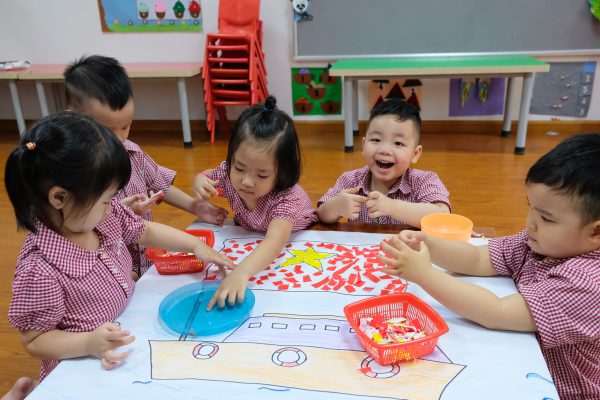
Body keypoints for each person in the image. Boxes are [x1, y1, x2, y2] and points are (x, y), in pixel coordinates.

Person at [4, 112, 234, 381]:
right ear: (59, 198)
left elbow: (144, 230)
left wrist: (194, 245)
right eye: (105, 200)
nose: (112, 206)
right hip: (86, 365)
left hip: (127, 325)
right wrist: (88, 343)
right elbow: (35, 340)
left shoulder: (101, 216)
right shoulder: (39, 271)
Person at [379, 133, 600, 399]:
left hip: (561, 391)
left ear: (595, 232)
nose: (530, 223)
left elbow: (496, 312)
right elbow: (478, 258)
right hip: (520, 360)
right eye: (530, 207)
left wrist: (424, 274)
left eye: (547, 218)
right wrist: (428, 243)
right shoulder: (542, 242)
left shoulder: (587, 283)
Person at [63, 55, 228, 277]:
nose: (119, 139)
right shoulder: (73, 174)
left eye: (125, 127)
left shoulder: (131, 151)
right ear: (74, 119)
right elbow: (75, 231)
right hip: (109, 269)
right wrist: (122, 212)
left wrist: (194, 206)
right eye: (108, 130)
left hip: (144, 260)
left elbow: (159, 185)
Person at [192, 96, 318, 310]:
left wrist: (241, 273)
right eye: (239, 168)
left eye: (262, 175)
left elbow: (273, 242)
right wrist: (200, 179)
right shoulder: (228, 173)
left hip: (298, 242)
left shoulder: (287, 199)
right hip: (249, 236)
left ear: (282, 173)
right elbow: (209, 174)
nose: (247, 181)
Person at [317, 99, 450, 228]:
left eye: (398, 143)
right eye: (376, 140)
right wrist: (335, 207)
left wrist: (393, 207)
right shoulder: (350, 180)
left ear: (415, 154)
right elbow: (321, 214)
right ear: (363, 145)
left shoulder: (423, 181)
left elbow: (442, 216)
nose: (385, 150)